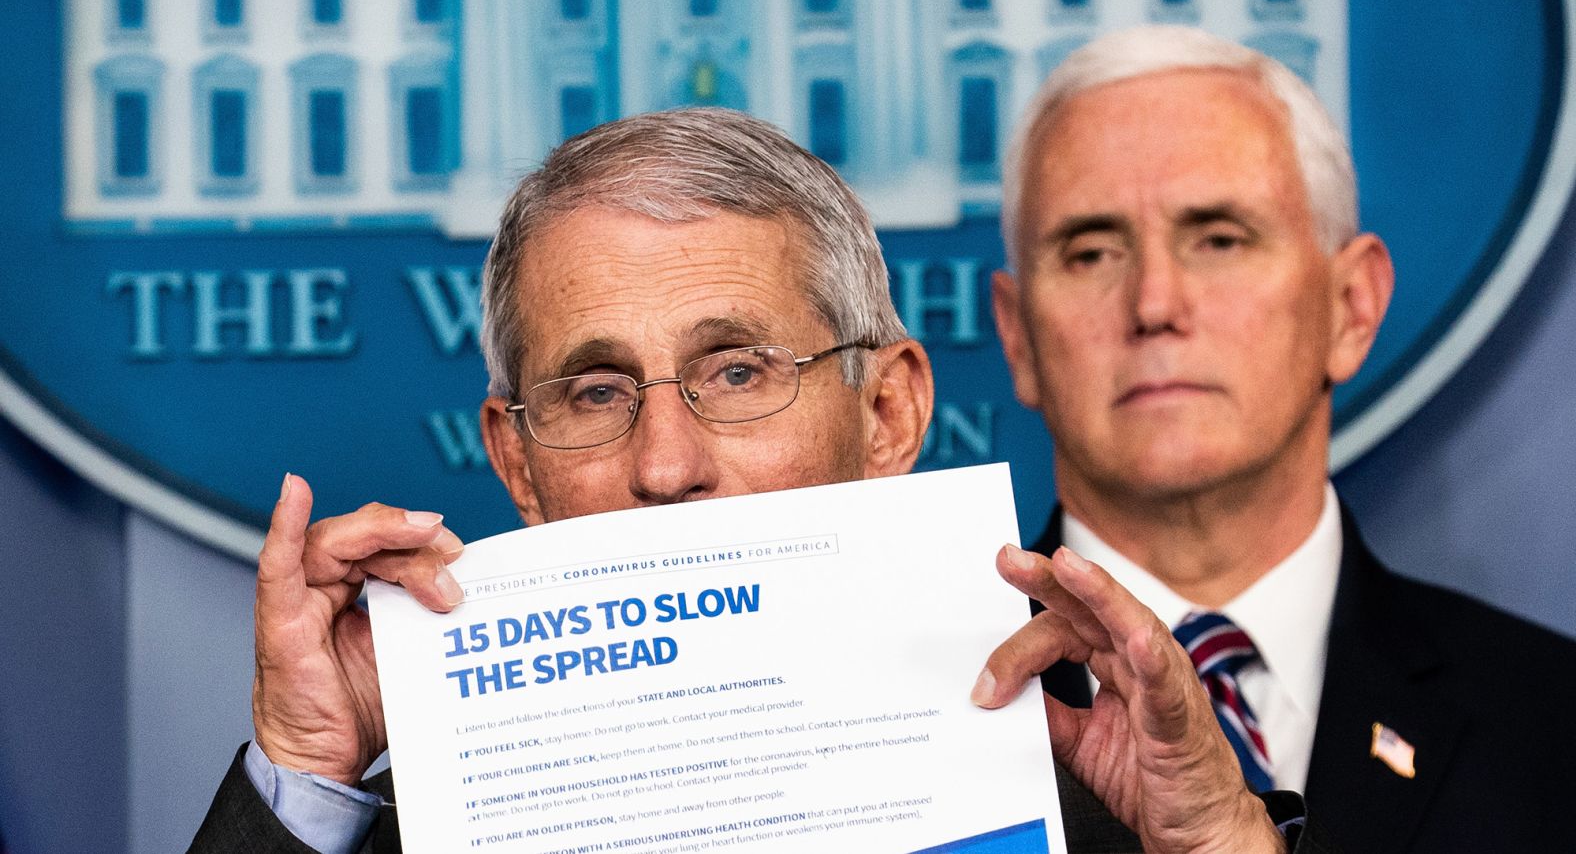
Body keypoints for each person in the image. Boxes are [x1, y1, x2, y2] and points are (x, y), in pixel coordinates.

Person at [190, 107, 1325, 853]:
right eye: (594, 393)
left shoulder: (1116, 811)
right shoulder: (392, 839)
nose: (667, 466)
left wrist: (1220, 841)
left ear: (887, 415)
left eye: (738, 373)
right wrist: (305, 773)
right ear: (516, 462)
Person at [987, 25, 1576, 854]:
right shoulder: (910, 724)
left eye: (1220, 239)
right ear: (1018, 339)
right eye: (1090, 252)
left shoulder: (1555, 724)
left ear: (1351, 308)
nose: (1155, 303)